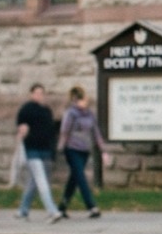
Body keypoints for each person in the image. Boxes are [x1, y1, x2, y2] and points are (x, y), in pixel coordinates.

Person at [15, 84, 64, 222]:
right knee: (41, 180)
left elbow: (51, 132)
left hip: (45, 150)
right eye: (36, 93)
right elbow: (21, 127)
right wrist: (22, 132)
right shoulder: (26, 110)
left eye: (41, 93)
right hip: (32, 150)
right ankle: (52, 210)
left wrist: (52, 152)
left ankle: (23, 210)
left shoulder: (47, 110)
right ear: (31, 94)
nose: (39, 95)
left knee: (34, 182)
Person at [59, 84, 102, 218]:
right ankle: (91, 206)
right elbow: (65, 131)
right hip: (72, 149)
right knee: (81, 177)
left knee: (74, 178)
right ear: (76, 100)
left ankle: (62, 206)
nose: (86, 102)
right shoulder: (71, 114)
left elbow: (96, 132)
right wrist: (61, 147)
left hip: (84, 150)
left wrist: (103, 150)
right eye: (83, 100)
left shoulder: (89, 114)